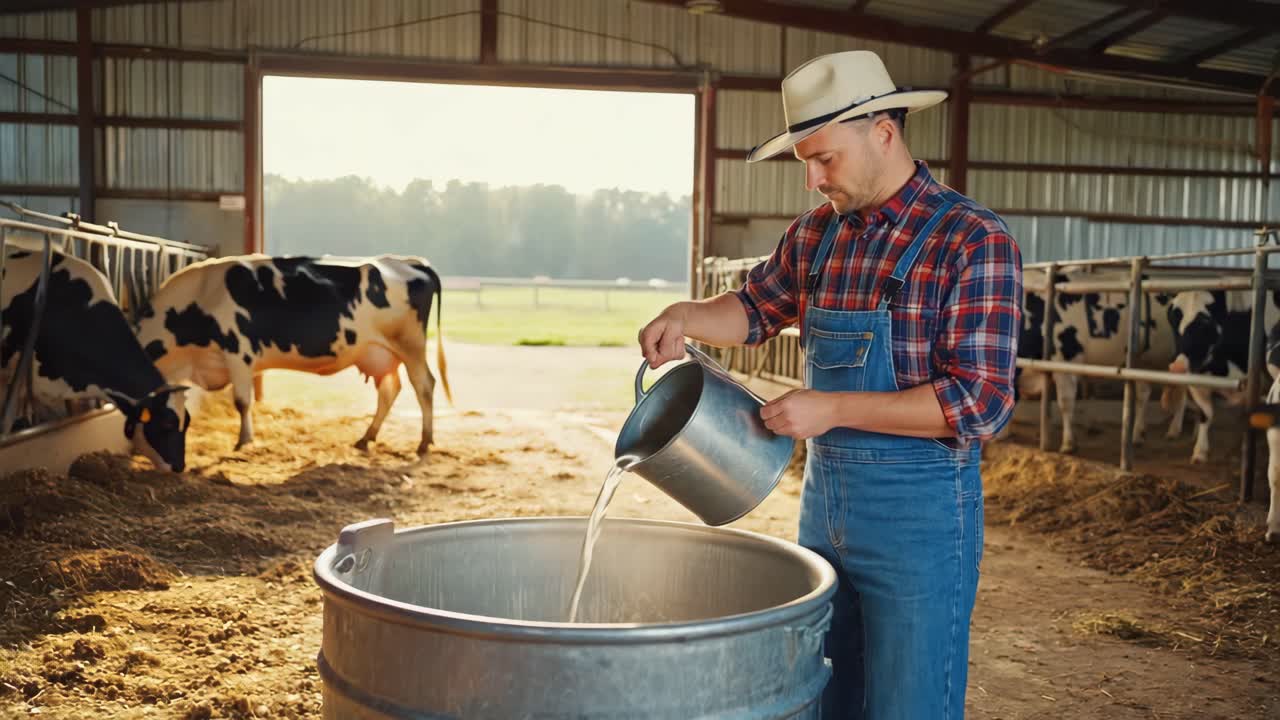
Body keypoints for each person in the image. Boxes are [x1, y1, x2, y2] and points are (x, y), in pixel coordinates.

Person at [638, 50, 1022, 719]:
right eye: (805, 162)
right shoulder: (818, 235)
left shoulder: (971, 239)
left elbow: (979, 403)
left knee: (909, 700)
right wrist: (687, 315)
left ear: (883, 132)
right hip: (825, 508)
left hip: (920, 515)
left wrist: (833, 406)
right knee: (822, 695)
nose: (814, 179)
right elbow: (756, 308)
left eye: (825, 158)